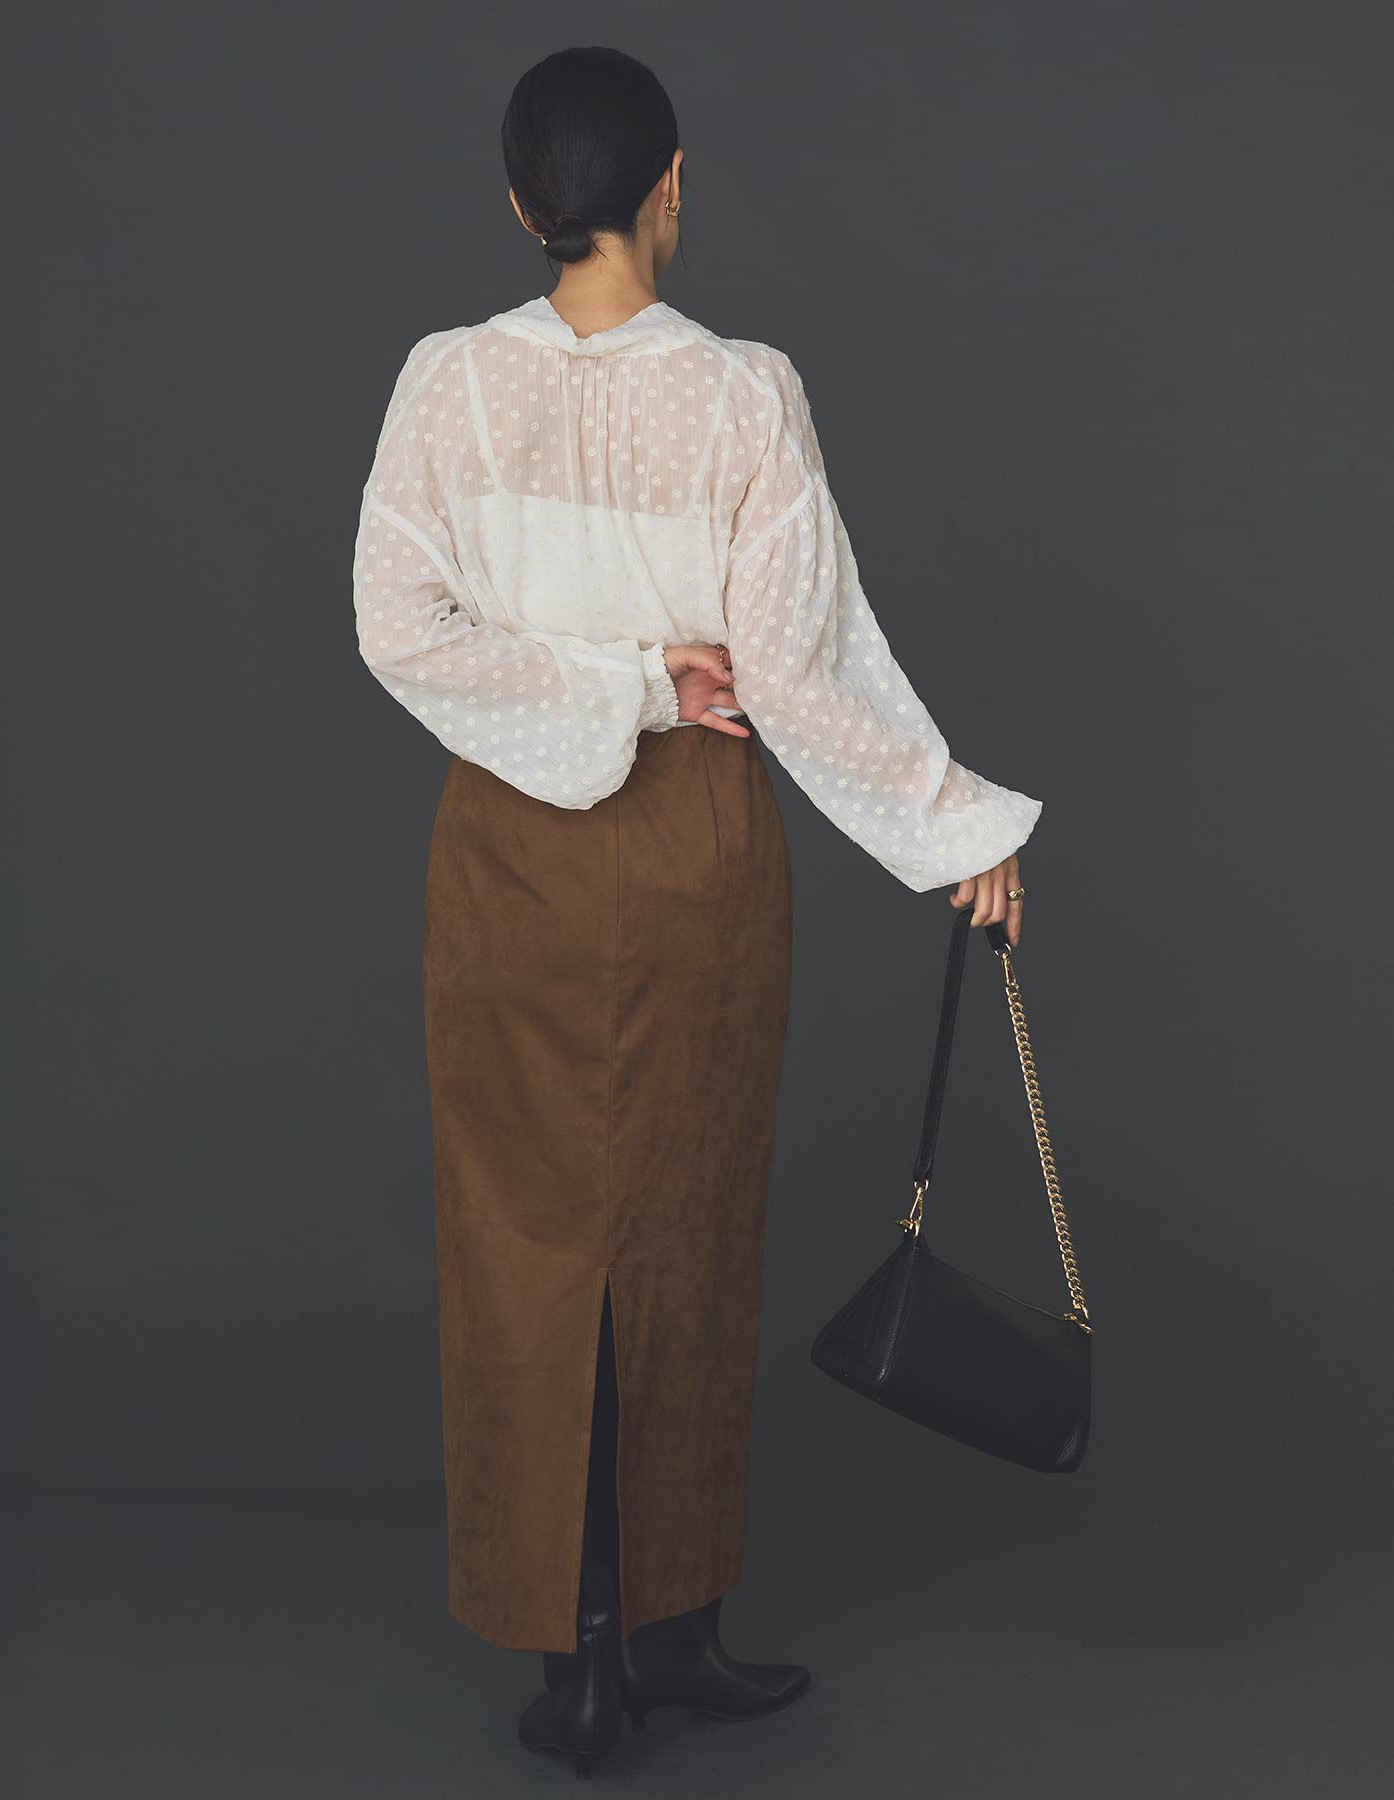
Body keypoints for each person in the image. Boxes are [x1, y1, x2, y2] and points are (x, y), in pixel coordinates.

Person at [351, 45, 1040, 1778]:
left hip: (506, 854)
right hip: (691, 857)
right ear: (672, 187)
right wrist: (952, 825)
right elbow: (799, 669)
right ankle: (671, 1633)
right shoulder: (742, 396)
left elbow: (400, 629)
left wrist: (599, 683)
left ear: (523, 204)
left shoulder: (446, 383)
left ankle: (579, 1654)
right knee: (685, 1226)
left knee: (523, 1240)